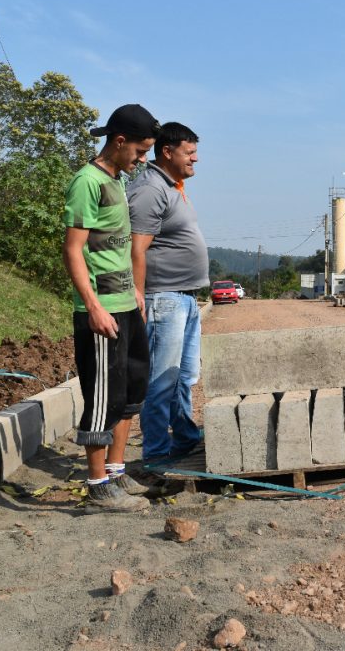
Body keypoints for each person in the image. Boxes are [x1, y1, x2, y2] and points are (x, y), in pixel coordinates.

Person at [62, 104, 161, 511]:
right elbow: (73, 250)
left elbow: (118, 246)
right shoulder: (87, 182)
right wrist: (93, 307)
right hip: (101, 309)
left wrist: (135, 291)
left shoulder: (116, 178)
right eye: (140, 151)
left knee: (131, 389)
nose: (142, 160)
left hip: (125, 304)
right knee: (103, 397)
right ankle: (98, 486)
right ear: (119, 142)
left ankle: (117, 472)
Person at [128, 122, 208, 462]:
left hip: (183, 297)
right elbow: (137, 248)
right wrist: (138, 296)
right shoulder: (150, 188)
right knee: (161, 381)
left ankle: (185, 438)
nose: (195, 159)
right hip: (162, 298)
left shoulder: (172, 187)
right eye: (189, 153)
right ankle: (157, 454)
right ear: (167, 151)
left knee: (183, 377)